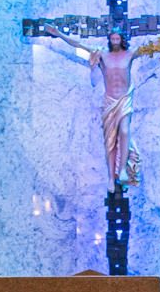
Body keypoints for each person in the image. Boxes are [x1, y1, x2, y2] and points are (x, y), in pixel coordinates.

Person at [38, 25, 154, 186]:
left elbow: (152, 46)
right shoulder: (102, 54)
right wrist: (58, 34)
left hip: (124, 99)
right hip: (109, 101)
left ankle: (122, 169)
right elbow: (78, 44)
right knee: (110, 141)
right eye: (112, 38)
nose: (115, 41)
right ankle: (111, 178)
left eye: (117, 38)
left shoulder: (130, 54)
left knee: (124, 131)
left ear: (122, 39)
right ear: (109, 40)